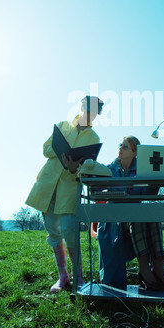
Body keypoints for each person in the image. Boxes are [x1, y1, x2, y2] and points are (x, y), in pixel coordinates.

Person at [26, 96, 104, 292]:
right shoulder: (62, 126)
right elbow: (45, 149)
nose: (90, 114)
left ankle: (78, 277)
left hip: (69, 188)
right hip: (47, 186)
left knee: (69, 230)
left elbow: (88, 167)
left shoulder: (93, 138)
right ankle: (63, 278)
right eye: (88, 109)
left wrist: (73, 168)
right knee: (53, 230)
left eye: (95, 112)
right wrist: (60, 152)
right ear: (82, 107)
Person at [98, 136, 164, 291]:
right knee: (139, 217)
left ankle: (159, 269)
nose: (120, 148)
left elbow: (147, 195)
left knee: (149, 215)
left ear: (135, 153)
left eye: (125, 147)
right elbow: (95, 185)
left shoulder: (143, 169)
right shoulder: (110, 169)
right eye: (120, 145)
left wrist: (154, 181)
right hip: (116, 223)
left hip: (135, 222)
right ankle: (145, 269)